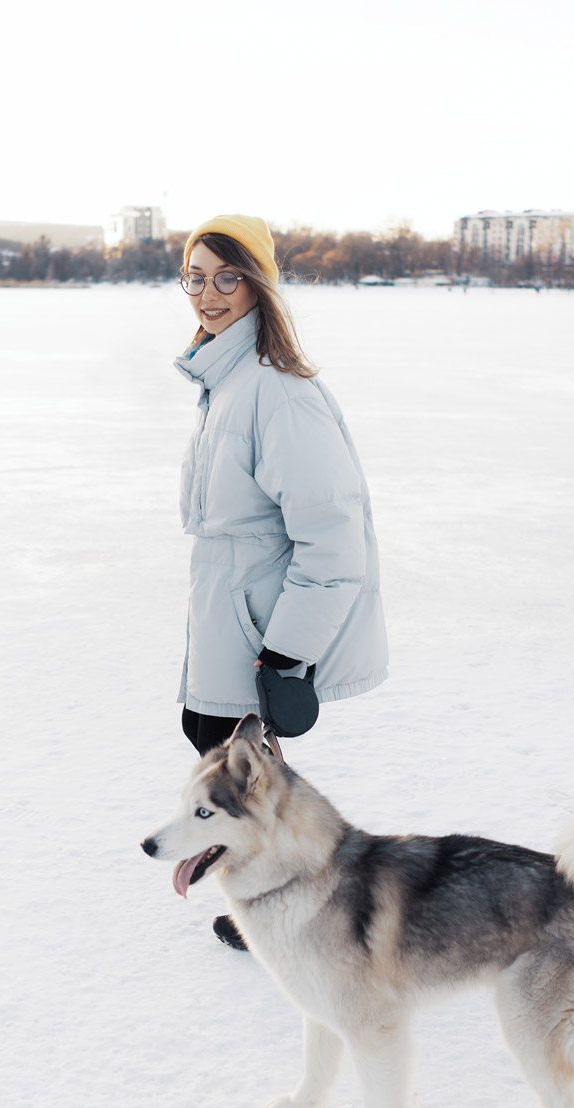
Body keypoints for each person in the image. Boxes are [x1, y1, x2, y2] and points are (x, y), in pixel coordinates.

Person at [170, 215, 388, 948]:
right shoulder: (225, 381)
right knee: (228, 763)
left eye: (227, 277)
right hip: (228, 619)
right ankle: (274, 901)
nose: (209, 294)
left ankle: (306, 909)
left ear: (258, 284)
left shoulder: (277, 392)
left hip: (259, 632)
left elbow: (332, 537)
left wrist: (287, 657)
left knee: (244, 780)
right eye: (195, 277)